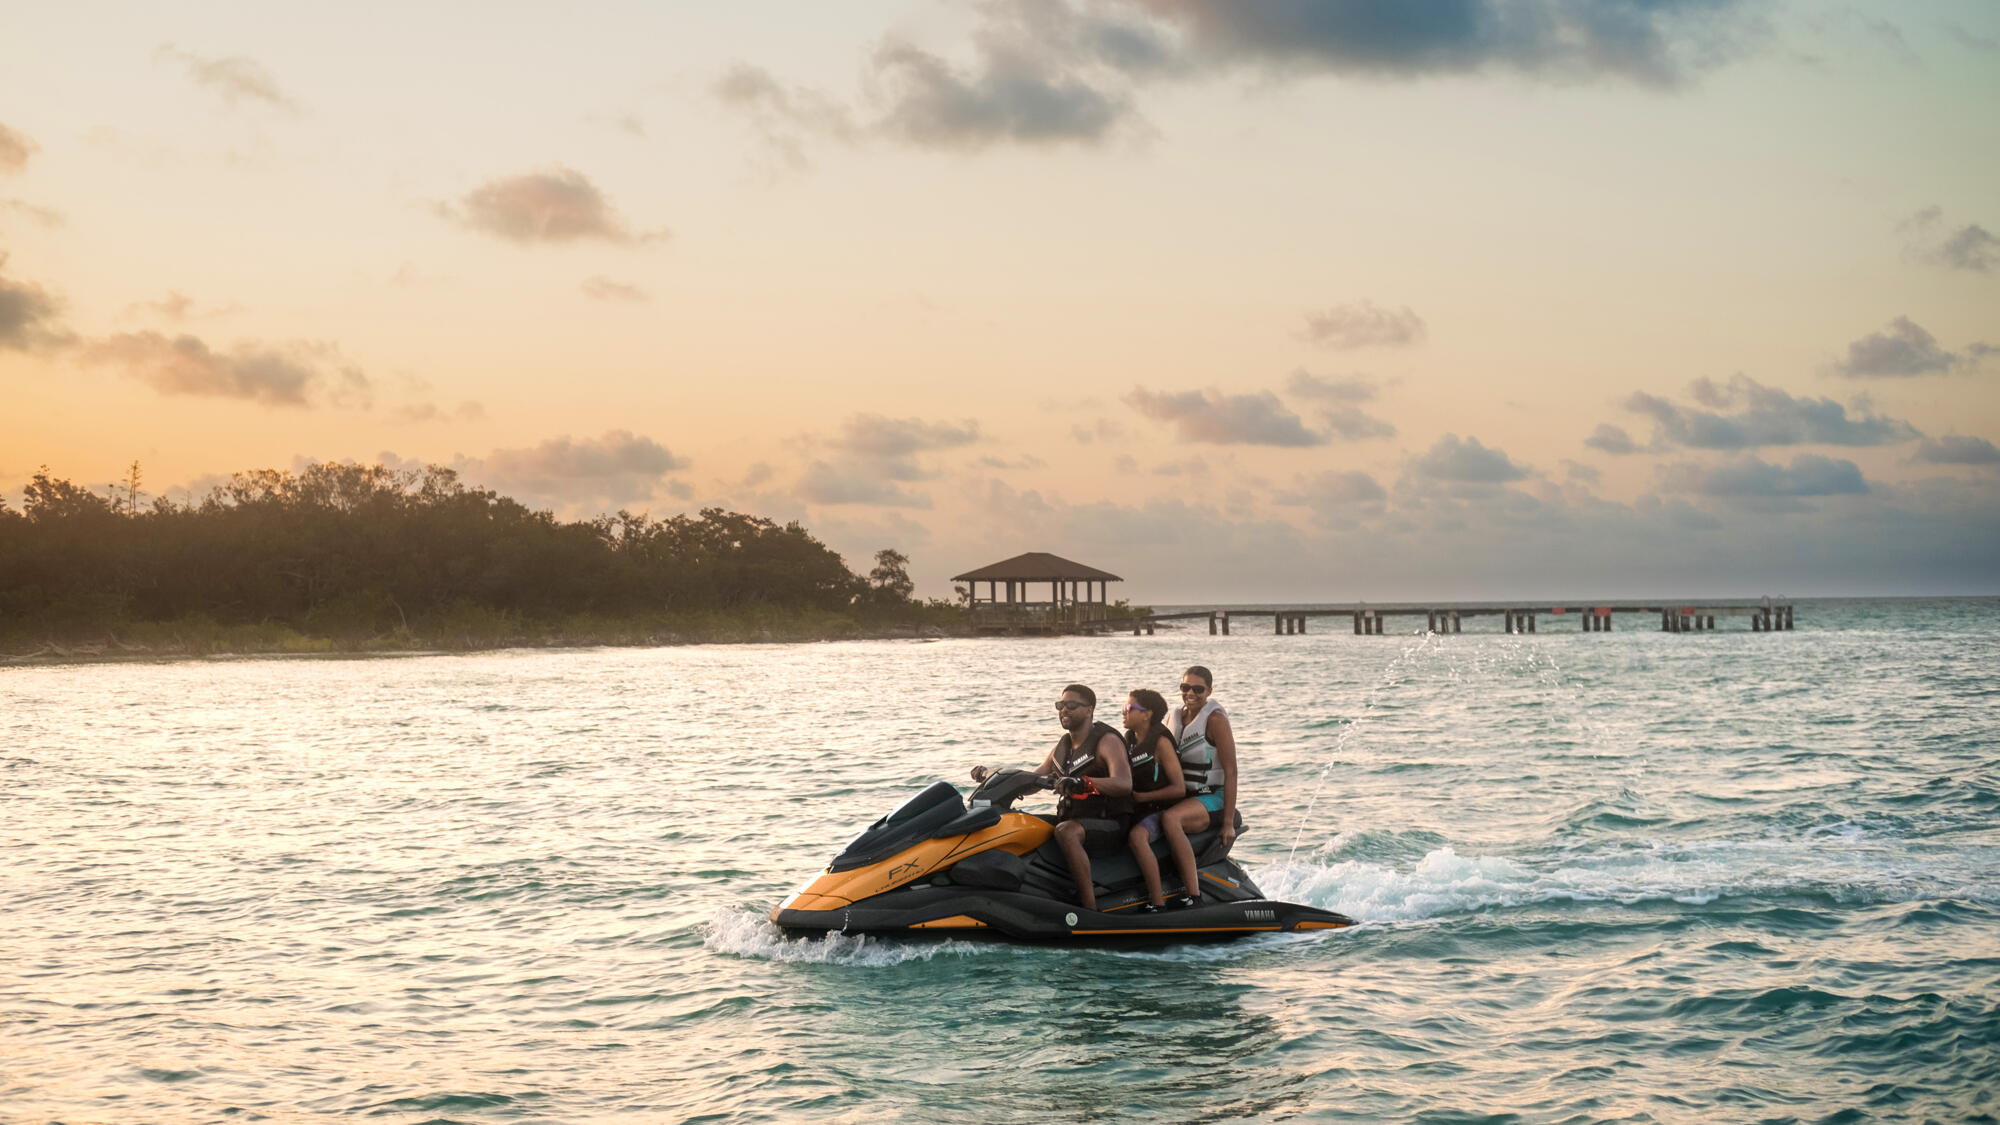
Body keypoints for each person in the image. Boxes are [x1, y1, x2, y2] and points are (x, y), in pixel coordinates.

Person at [974, 683, 1130, 910]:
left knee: (1065, 832)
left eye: (1071, 705)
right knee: (1020, 823)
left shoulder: (1106, 741)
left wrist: (1083, 782)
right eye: (1060, 705)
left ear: (1089, 709)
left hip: (1110, 825)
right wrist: (992, 776)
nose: (1064, 710)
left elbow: (1124, 784)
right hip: (1072, 818)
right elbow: (1032, 780)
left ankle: (1089, 908)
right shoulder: (1063, 746)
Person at [1155, 665, 1236, 908]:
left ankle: (1194, 895)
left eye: (1198, 689)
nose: (1190, 693)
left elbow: (1231, 771)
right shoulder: (1174, 718)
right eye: (1185, 687)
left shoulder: (1215, 720)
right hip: (1184, 795)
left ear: (1209, 691)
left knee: (1170, 820)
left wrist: (1228, 822)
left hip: (1212, 796)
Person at [1119, 688, 1191, 913]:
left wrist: (1143, 797)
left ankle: (1157, 902)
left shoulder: (1160, 742)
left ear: (1146, 714)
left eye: (1129, 708)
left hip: (1161, 807)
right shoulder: (1128, 739)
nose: (1124, 712)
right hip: (1137, 807)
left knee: (1137, 837)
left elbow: (1179, 788)